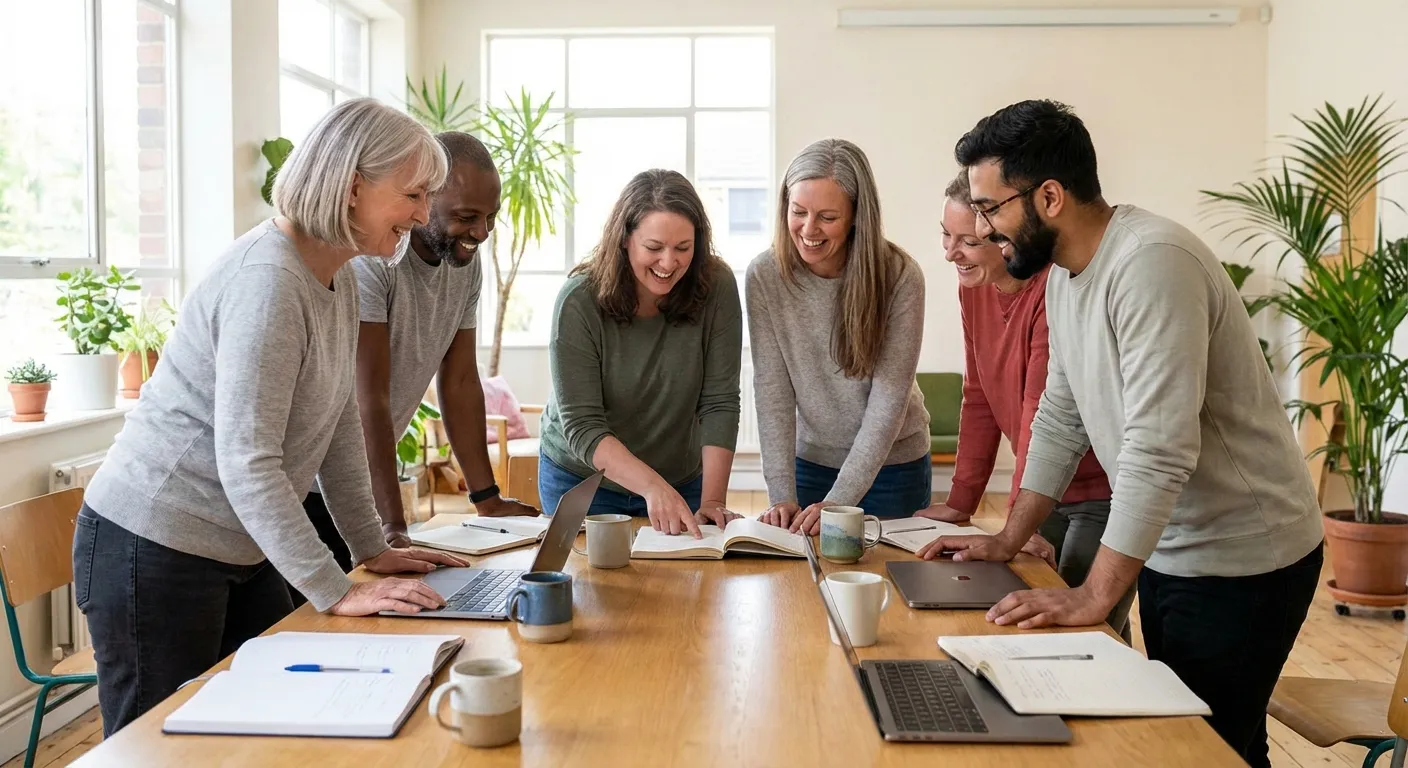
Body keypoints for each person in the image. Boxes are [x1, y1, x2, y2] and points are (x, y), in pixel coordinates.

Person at [922, 99, 1325, 768]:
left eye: (991, 209)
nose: (986, 231)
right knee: (1207, 743)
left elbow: (1158, 449)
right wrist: (1007, 538)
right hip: (1174, 549)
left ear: (1048, 197)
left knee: (1205, 751)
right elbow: (1059, 414)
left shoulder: (1150, 263)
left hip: (1245, 559)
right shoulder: (1064, 276)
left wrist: (1095, 595)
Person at [71, 98, 467, 736]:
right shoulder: (269, 280)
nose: (424, 214)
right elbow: (248, 461)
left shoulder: (337, 274)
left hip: (237, 546)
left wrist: (372, 548)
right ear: (352, 186)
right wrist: (338, 588)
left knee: (264, 728)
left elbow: (338, 427)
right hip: (155, 542)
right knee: (157, 747)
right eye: (414, 194)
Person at [286, 132, 539, 607]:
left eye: (490, 218)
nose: (481, 232)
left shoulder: (465, 263)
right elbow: (367, 398)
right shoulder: (372, 263)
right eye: (466, 217)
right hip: (316, 493)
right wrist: (389, 526)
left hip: (355, 493)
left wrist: (485, 496)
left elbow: (461, 380)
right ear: (425, 198)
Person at [920, 169, 1134, 641]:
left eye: (968, 241)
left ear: (1003, 238)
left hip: (1099, 489)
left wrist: (1015, 523)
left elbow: (1045, 415)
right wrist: (960, 503)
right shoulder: (972, 289)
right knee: (1035, 606)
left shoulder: (1049, 290)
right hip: (1042, 486)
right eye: (945, 236)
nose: (951, 253)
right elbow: (978, 395)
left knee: (1081, 627)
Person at [537, 169, 743, 538]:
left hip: (680, 479)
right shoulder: (578, 300)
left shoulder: (717, 287)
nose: (668, 263)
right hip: (584, 480)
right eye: (654, 248)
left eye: (683, 248)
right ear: (624, 240)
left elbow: (719, 401)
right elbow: (583, 426)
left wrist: (712, 500)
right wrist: (651, 486)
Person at [748, 138, 930, 536]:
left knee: (890, 588)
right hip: (809, 467)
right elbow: (772, 389)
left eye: (827, 217)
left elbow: (890, 397)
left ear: (856, 217)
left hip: (893, 470)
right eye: (798, 212)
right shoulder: (765, 275)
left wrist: (841, 499)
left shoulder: (899, 276)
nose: (808, 230)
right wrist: (781, 495)